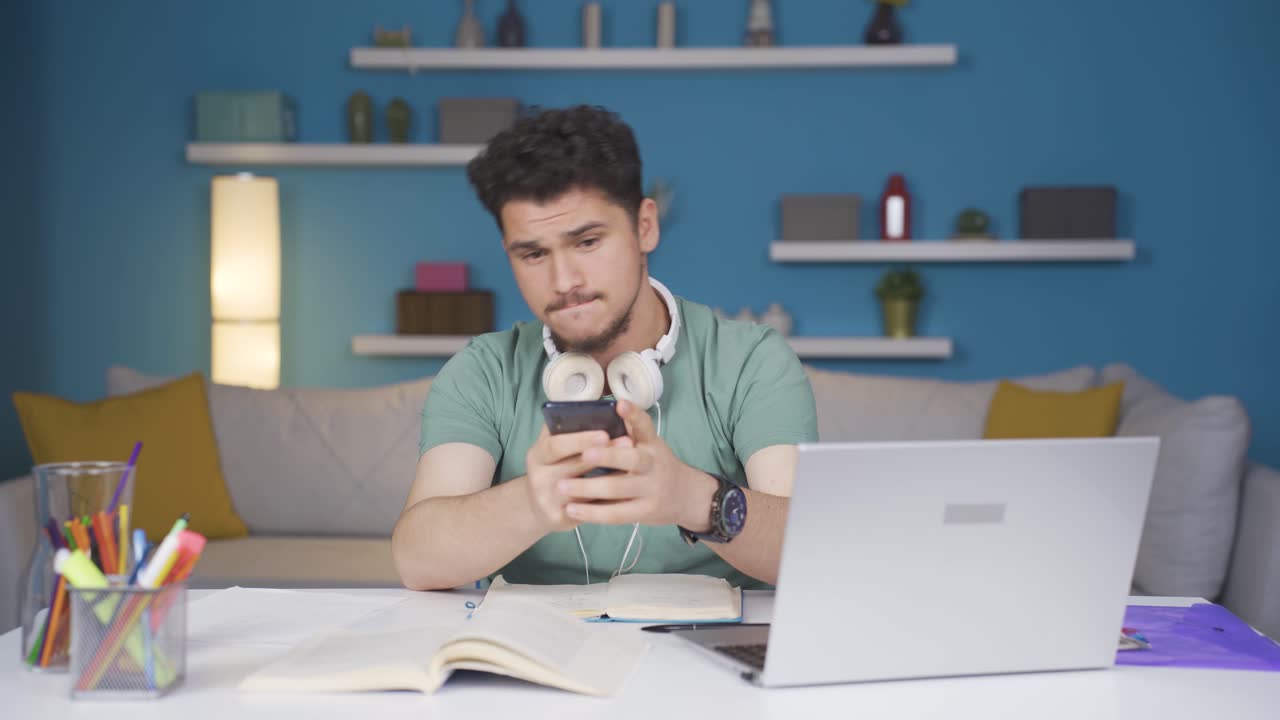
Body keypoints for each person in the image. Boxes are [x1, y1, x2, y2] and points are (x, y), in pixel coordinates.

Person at [392, 105, 817, 591]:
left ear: (645, 227)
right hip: (537, 655)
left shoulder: (752, 362)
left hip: (710, 653)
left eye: (588, 242)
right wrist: (534, 502)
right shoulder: (483, 372)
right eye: (533, 254)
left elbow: (807, 549)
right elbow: (416, 559)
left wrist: (693, 498)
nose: (564, 281)